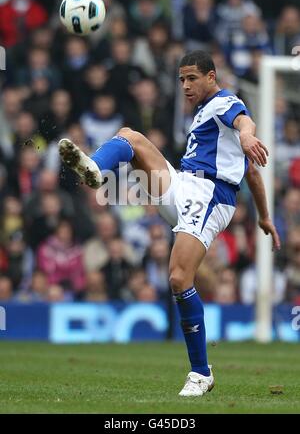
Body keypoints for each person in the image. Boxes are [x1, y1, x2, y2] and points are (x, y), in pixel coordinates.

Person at [58, 50, 281, 397]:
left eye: (192, 78)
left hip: (210, 195)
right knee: (129, 135)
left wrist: (249, 134)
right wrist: (265, 216)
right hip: (182, 185)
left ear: (211, 76)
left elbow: (243, 123)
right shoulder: (203, 114)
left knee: (179, 278)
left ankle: (201, 373)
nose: (186, 86)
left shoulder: (226, 102)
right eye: (181, 80)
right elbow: (251, 169)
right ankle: (93, 169)